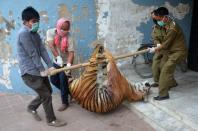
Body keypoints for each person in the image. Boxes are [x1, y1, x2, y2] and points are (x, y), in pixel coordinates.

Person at [17, 6, 66, 127]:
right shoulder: (23, 33)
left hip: (38, 70)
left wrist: (50, 66)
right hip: (29, 72)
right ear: (25, 21)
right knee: (46, 95)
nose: (36, 23)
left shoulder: (34, 33)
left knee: (47, 91)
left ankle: (31, 107)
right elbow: (32, 53)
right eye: (33, 21)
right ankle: (51, 120)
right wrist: (42, 70)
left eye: (37, 21)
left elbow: (42, 50)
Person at [149, 7, 187, 100]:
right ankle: (172, 83)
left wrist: (155, 49)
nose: (158, 22)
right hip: (169, 51)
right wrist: (157, 45)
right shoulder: (164, 25)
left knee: (166, 69)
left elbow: (166, 44)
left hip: (178, 52)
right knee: (161, 66)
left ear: (165, 17)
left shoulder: (172, 28)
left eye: (159, 20)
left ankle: (163, 94)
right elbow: (157, 37)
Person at [46, 18, 75, 111]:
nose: (65, 31)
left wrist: (69, 66)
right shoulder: (50, 32)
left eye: (67, 29)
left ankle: (65, 102)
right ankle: (71, 93)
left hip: (66, 62)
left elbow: (71, 53)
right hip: (57, 61)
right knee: (53, 80)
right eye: (63, 29)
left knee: (63, 81)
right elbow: (51, 45)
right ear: (58, 27)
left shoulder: (69, 37)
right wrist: (58, 58)